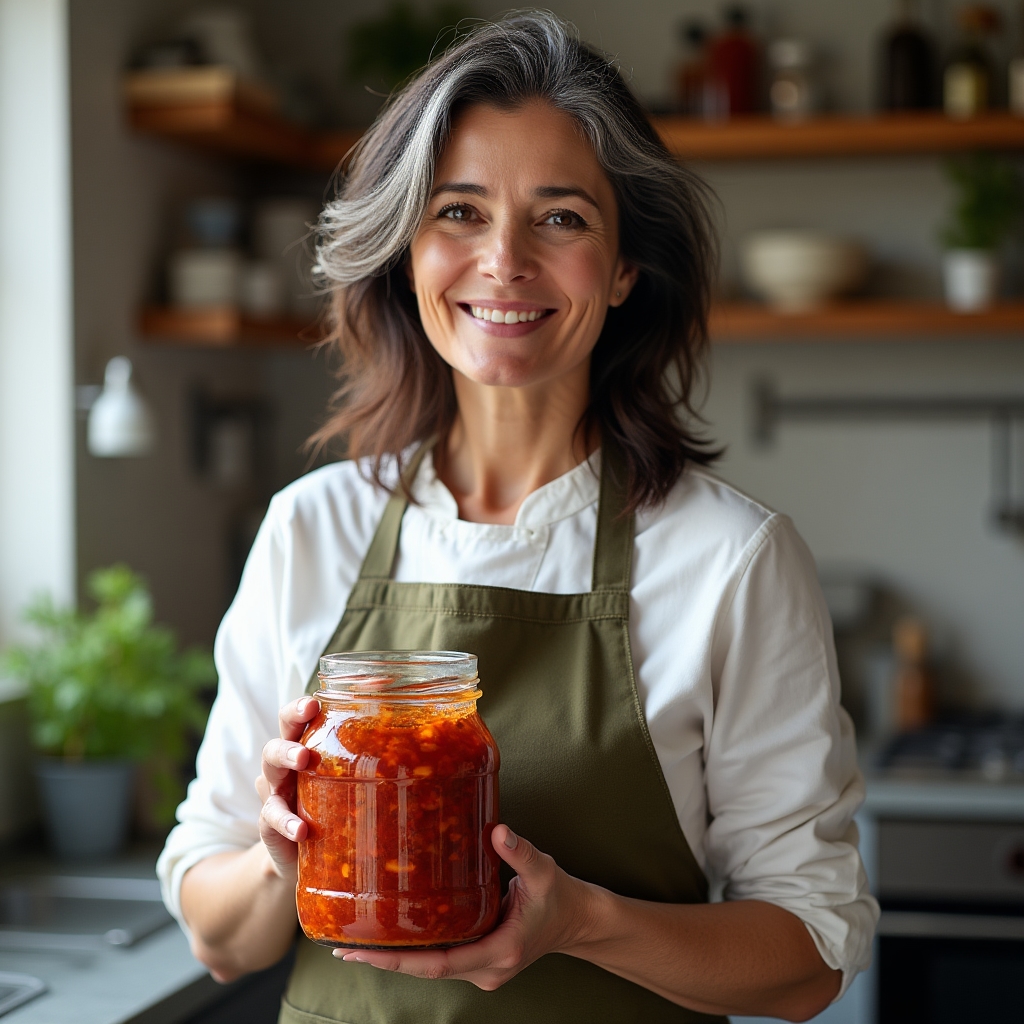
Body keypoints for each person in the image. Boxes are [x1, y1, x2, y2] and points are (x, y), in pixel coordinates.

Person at [157, 12, 877, 1023]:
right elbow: (219, 938)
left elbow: (808, 959)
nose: (503, 260)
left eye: (562, 218)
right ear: (408, 252)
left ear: (624, 268)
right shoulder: (309, 531)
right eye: (458, 211)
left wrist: (580, 921)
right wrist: (283, 856)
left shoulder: (728, 558)